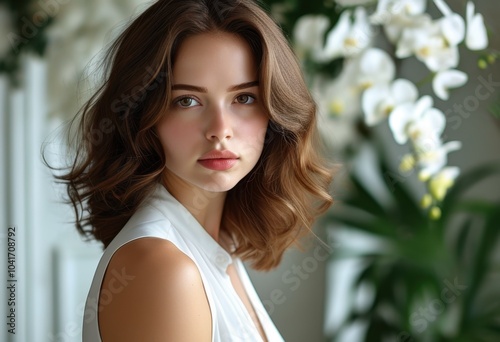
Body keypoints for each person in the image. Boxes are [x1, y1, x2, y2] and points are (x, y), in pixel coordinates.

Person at [56, 0, 333, 340]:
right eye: (187, 100)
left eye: (244, 98)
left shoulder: (217, 243)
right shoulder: (163, 269)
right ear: (143, 116)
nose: (220, 129)